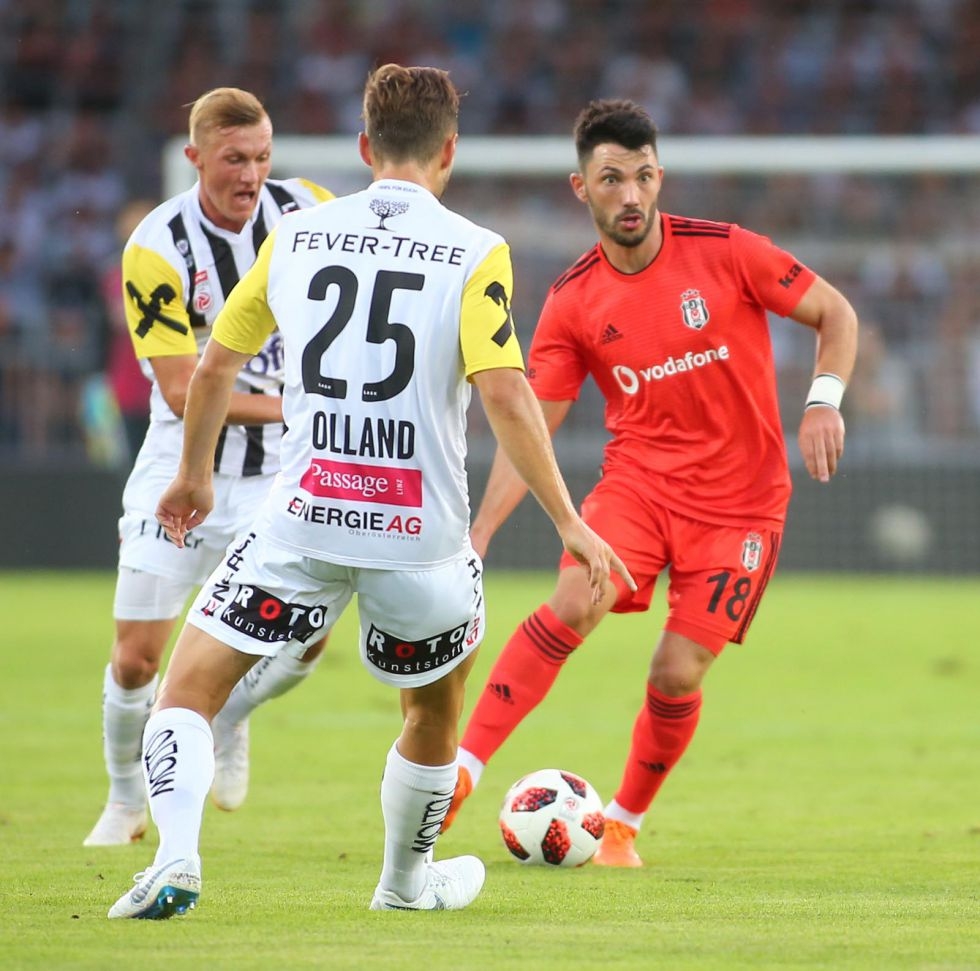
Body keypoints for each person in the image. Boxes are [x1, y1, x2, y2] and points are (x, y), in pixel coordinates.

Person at [107, 64, 632, 920]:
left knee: (185, 691)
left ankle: (175, 857)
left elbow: (214, 367)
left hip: (303, 519)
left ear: (363, 147)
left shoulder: (299, 234)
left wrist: (194, 473)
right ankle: (403, 883)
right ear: (448, 152)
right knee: (430, 713)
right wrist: (569, 522)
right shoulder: (475, 249)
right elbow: (506, 393)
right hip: (420, 536)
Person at [441, 98, 859, 866]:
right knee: (574, 599)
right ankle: (457, 773)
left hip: (742, 507)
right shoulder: (573, 301)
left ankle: (623, 825)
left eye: (642, 176)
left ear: (660, 176)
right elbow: (531, 426)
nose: (630, 194)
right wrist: (482, 530)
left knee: (676, 671)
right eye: (611, 179)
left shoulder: (728, 252)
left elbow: (835, 312)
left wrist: (822, 401)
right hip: (638, 487)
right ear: (582, 188)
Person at [85, 88, 335, 848]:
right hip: (181, 463)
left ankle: (228, 715)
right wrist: (300, 406)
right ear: (194, 158)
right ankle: (124, 798)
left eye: (262, 157)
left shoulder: (310, 211)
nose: (251, 174)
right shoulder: (157, 248)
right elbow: (179, 387)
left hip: (279, 474)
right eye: (233, 159)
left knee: (305, 639)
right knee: (137, 657)